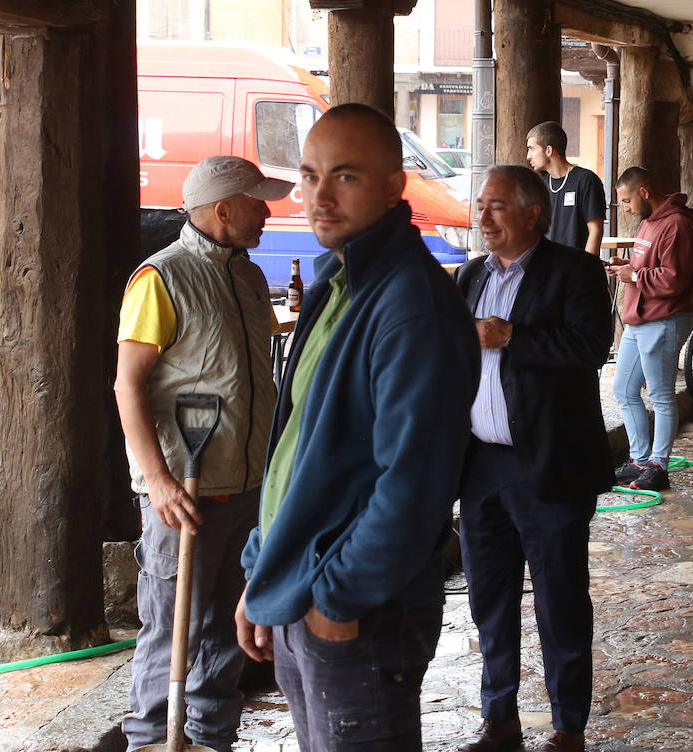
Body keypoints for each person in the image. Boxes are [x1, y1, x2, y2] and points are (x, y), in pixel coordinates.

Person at [234, 104, 481, 751]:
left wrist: (336, 598)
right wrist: (266, 570)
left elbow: (416, 484)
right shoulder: (338, 284)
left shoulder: (410, 303)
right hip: (305, 587)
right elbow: (298, 446)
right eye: (311, 175)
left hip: (361, 608)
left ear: (397, 185)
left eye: (344, 176)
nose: (320, 194)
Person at [117, 155, 289, 752]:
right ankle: (150, 743)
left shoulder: (247, 276)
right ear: (223, 210)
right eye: (257, 202)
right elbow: (127, 384)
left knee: (224, 637)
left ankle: (212, 741)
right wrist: (157, 480)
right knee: (172, 632)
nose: (268, 212)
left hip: (245, 488)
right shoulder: (159, 278)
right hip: (184, 496)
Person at [452, 164, 614, 752]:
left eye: (496, 206)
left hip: (549, 462)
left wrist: (511, 336)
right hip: (481, 466)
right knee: (488, 599)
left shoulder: (576, 271)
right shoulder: (469, 276)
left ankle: (569, 726)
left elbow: (592, 346)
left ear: (531, 213)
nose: (483, 216)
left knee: (559, 599)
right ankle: (499, 719)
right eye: (479, 205)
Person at [608, 166, 693, 492]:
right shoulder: (648, 222)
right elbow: (648, 266)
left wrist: (634, 277)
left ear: (644, 191)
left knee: (660, 396)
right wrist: (626, 269)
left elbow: (674, 279)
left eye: (627, 200)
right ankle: (639, 459)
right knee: (623, 388)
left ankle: (659, 465)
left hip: (664, 319)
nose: (626, 208)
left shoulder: (677, 225)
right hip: (639, 318)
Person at [526, 120, 606, 257]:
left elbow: (595, 231)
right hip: (547, 269)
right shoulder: (541, 185)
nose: (528, 156)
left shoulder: (586, 180)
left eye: (532, 149)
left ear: (549, 150)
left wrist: (586, 268)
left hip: (576, 269)